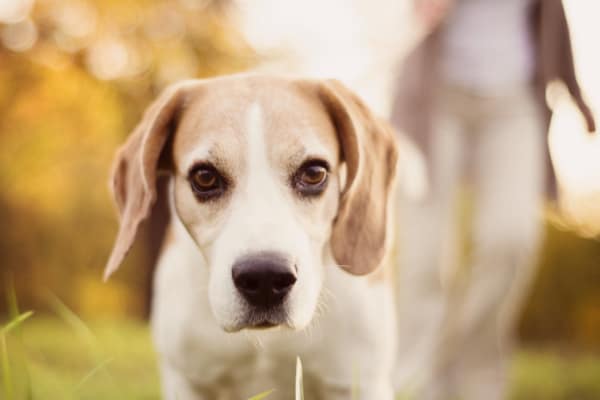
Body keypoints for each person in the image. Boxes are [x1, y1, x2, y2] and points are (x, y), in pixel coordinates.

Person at [391, 1, 596, 399]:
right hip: (434, 98)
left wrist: (576, 94)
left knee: (512, 238)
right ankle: (414, 382)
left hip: (514, 101)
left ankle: (475, 378)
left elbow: (553, 17)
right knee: (424, 255)